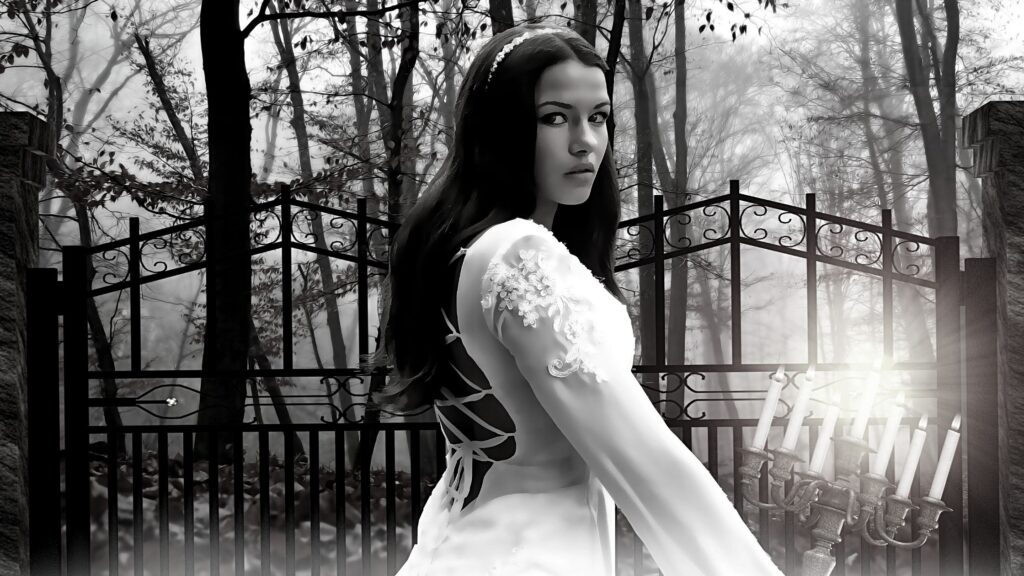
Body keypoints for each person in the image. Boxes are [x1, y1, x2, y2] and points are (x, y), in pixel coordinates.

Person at [362, 23, 784, 576]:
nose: (585, 140)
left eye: (599, 117)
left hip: (457, 545)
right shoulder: (518, 255)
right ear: (503, 127)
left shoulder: (456, 250)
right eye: (554, 117)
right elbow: (649, 464)